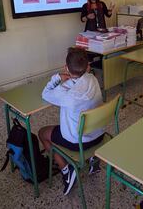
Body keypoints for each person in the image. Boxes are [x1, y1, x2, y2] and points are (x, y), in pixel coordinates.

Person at [38, 47, 103, 196]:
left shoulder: (65, 93)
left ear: (66, 68)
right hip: (99, 136)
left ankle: (66, 170)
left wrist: (57, 78)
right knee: (86, 119)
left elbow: (45, 94)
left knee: (42, 133)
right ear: (88, 66)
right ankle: (93, 160)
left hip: (79, 142)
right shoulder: (93, 79)